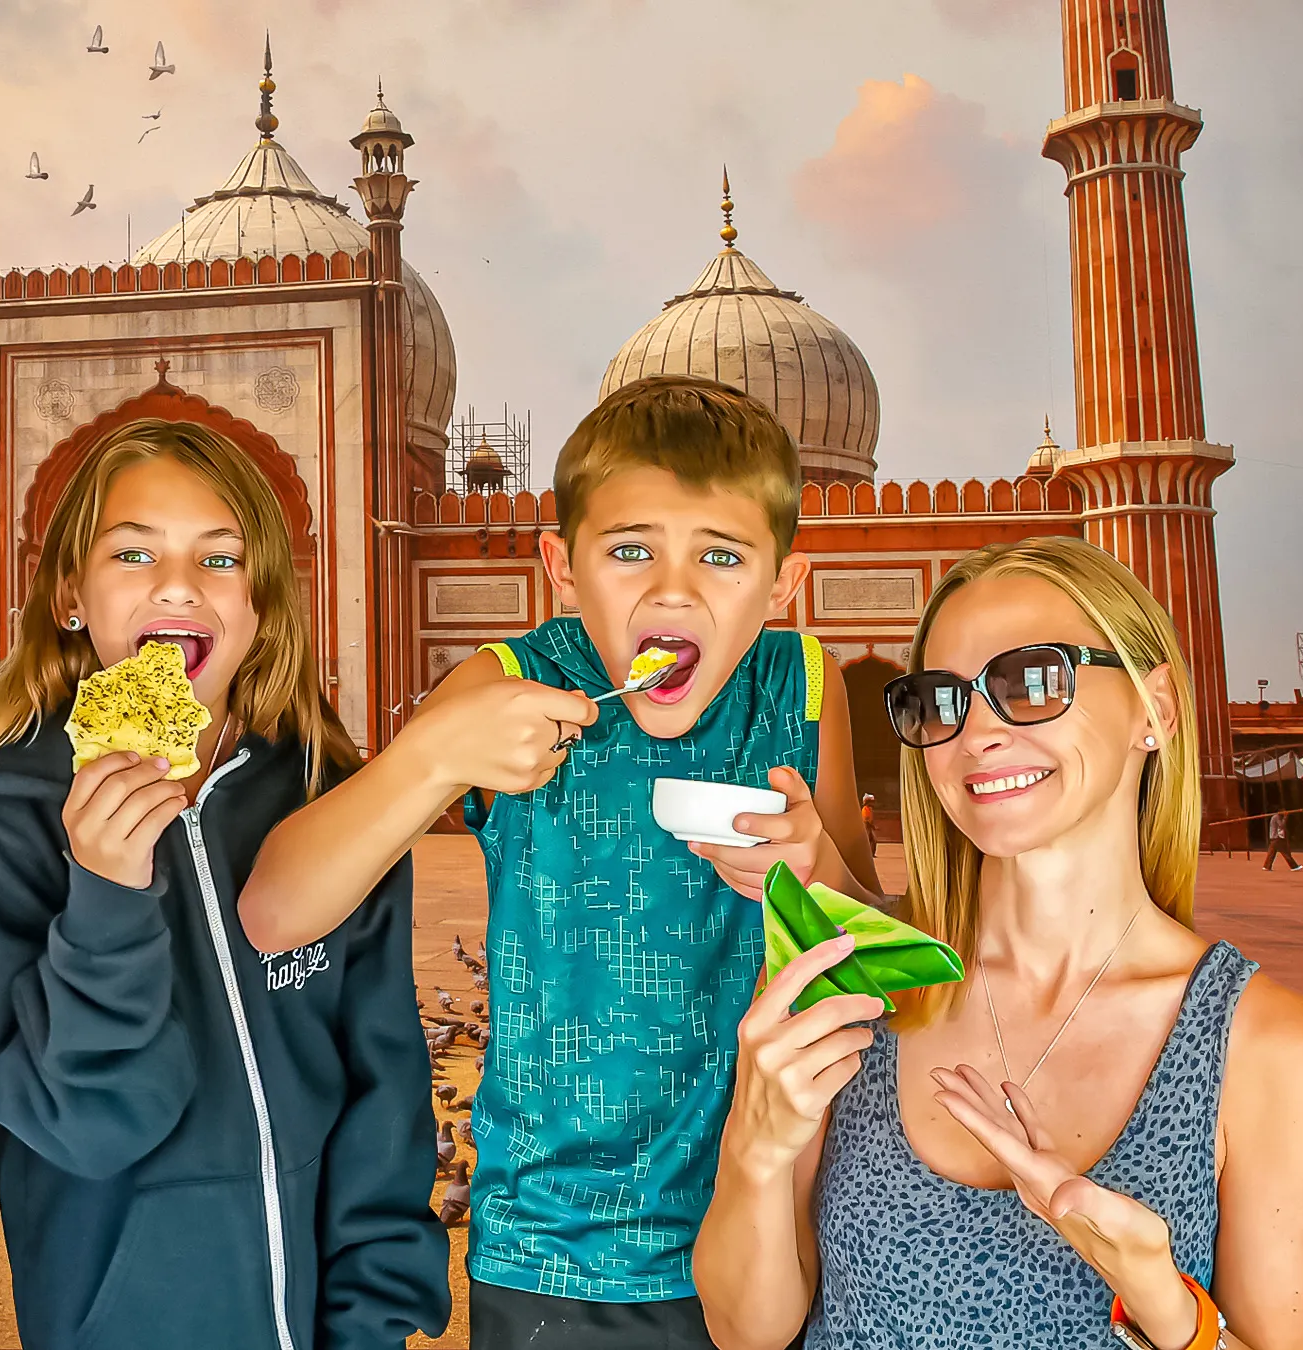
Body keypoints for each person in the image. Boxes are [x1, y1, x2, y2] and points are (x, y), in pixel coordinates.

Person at [239, 375, 879, 1348]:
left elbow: (870, 942)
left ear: (783, 583)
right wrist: (435, 755)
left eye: (721, 555)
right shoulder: (511, 681)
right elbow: (279, 911)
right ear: (563, 569)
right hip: (552, 1254)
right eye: (631, 552)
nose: (674, 589)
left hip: (764, 1242)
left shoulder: (801, 689)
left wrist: (819, 865)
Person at [696, 535, 1303, 1350]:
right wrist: (753, 1151)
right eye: (940, 701)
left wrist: (1168, 1309)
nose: (978, 734)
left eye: (1033, 681)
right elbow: (744, 1332)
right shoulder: (856, 976)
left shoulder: (1262, 1043)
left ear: (1157, 709)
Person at [0, 418, 451, 1350]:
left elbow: (385, 1094)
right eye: (133, 552)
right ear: (69, 596)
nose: (177, 585)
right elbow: (84, 1128)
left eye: (221, 558)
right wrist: (108, 894)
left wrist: (375, 1327)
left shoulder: (326, 801)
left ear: (263, 607)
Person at [1261, 806, 1302, 872]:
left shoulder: (1277, 817)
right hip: (1276, 838)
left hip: (1274, 838)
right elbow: (1281, 825)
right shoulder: (1276, 817)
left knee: (1271, 853)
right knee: (1285, 852)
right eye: (1283, 810)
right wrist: (1285, 818)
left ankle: (1267, 866)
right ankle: (1294, 866)